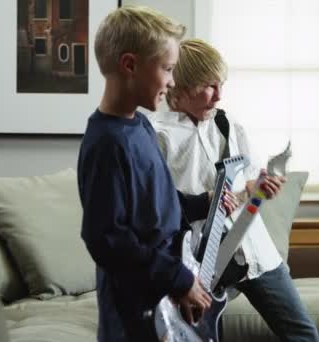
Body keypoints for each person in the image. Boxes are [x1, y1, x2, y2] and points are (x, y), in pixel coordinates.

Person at [77, 8, 238, 341]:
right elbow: (108, 240)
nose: (173, 81)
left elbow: (162, 204)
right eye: (167, 69)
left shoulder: (140, 127)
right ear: (130, 65)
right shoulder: (107, 143)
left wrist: (206, 204)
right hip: (135, 314)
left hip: (163, 296)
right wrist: (178, 278)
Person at [151, 39, 319, 342]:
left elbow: (248, 188)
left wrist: (260, 189)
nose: (219, 95)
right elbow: (154, 208)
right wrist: (205, 204)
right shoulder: (157, 135)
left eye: (221, 84)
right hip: (198, 264)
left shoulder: (228, 126)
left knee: (304, 336)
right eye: (209, 86)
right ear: (181, 85)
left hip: (253, 251)